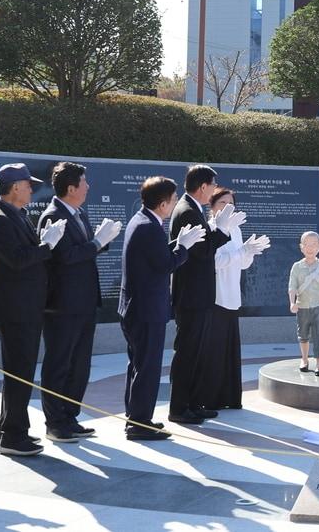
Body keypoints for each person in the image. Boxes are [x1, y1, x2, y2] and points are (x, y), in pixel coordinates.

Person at [0, 164, 65, 457]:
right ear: (14, 187)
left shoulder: (15, 215)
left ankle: (6, 428)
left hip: (25, 306)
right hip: (16, 309)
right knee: (19, 373)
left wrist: (44, 245)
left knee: (19, 372)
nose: (32, 189)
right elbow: (16, 261)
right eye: (28, 185)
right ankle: (13, 437)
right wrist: (47, 246)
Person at [38, 162, 121, 442]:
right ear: (71, 188)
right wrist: (97, 242)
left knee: (80, 363)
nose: (88, 187)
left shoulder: (78, 213)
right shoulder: (52, 216)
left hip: (84, 302)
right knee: (59, 362)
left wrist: (102, 240)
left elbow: (83, 251)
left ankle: (70, 415)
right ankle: (54, 421)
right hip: (62, 304)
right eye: (84, 182)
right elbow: (66, 257)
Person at [119, 176, 204, 440]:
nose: (175, 203)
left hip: (137, 308)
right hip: (146, 310)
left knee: (138, 365)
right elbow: (166, 264)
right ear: (163, 203)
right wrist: (184, 247)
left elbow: (156, 256)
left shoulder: (142, 221)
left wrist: (176, 244)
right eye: (173, 199)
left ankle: (136, 416)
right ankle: (140, 422)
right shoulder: (149, 227)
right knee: (147, 367)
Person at [166, 165, 239, 425]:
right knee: (188, 353)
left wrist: (220, 231)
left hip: (199, 295)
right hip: (192, 296)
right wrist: (222, 231)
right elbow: (201, 251)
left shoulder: (191, 208)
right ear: (203, 187)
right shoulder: (187, 210)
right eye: (212, 185)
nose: (212, 190)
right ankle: (179, 408)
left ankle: (194, 404)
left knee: (197, 353)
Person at [196, 188, 269, 409]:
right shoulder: (210, 227)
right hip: (216, 296)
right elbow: (215, 262)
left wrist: (249, 251)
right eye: (222, 203)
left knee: (229, 350)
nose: (228, 207)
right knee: (214, 351)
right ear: (212, 205)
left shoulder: (235, 228)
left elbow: (242, 264)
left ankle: (229, 396)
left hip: (232, 296)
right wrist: (241, 252)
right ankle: (211, 399)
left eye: (231, 203)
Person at [289, 231, 319, 376]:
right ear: (301, 247)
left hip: (318, 306)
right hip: (302, 306)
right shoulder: (297, 267)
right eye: (307, 244)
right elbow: (292, 287)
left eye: (313, 244)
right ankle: (304, 360)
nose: (310, 248)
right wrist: (292, 303)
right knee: (303, 334)